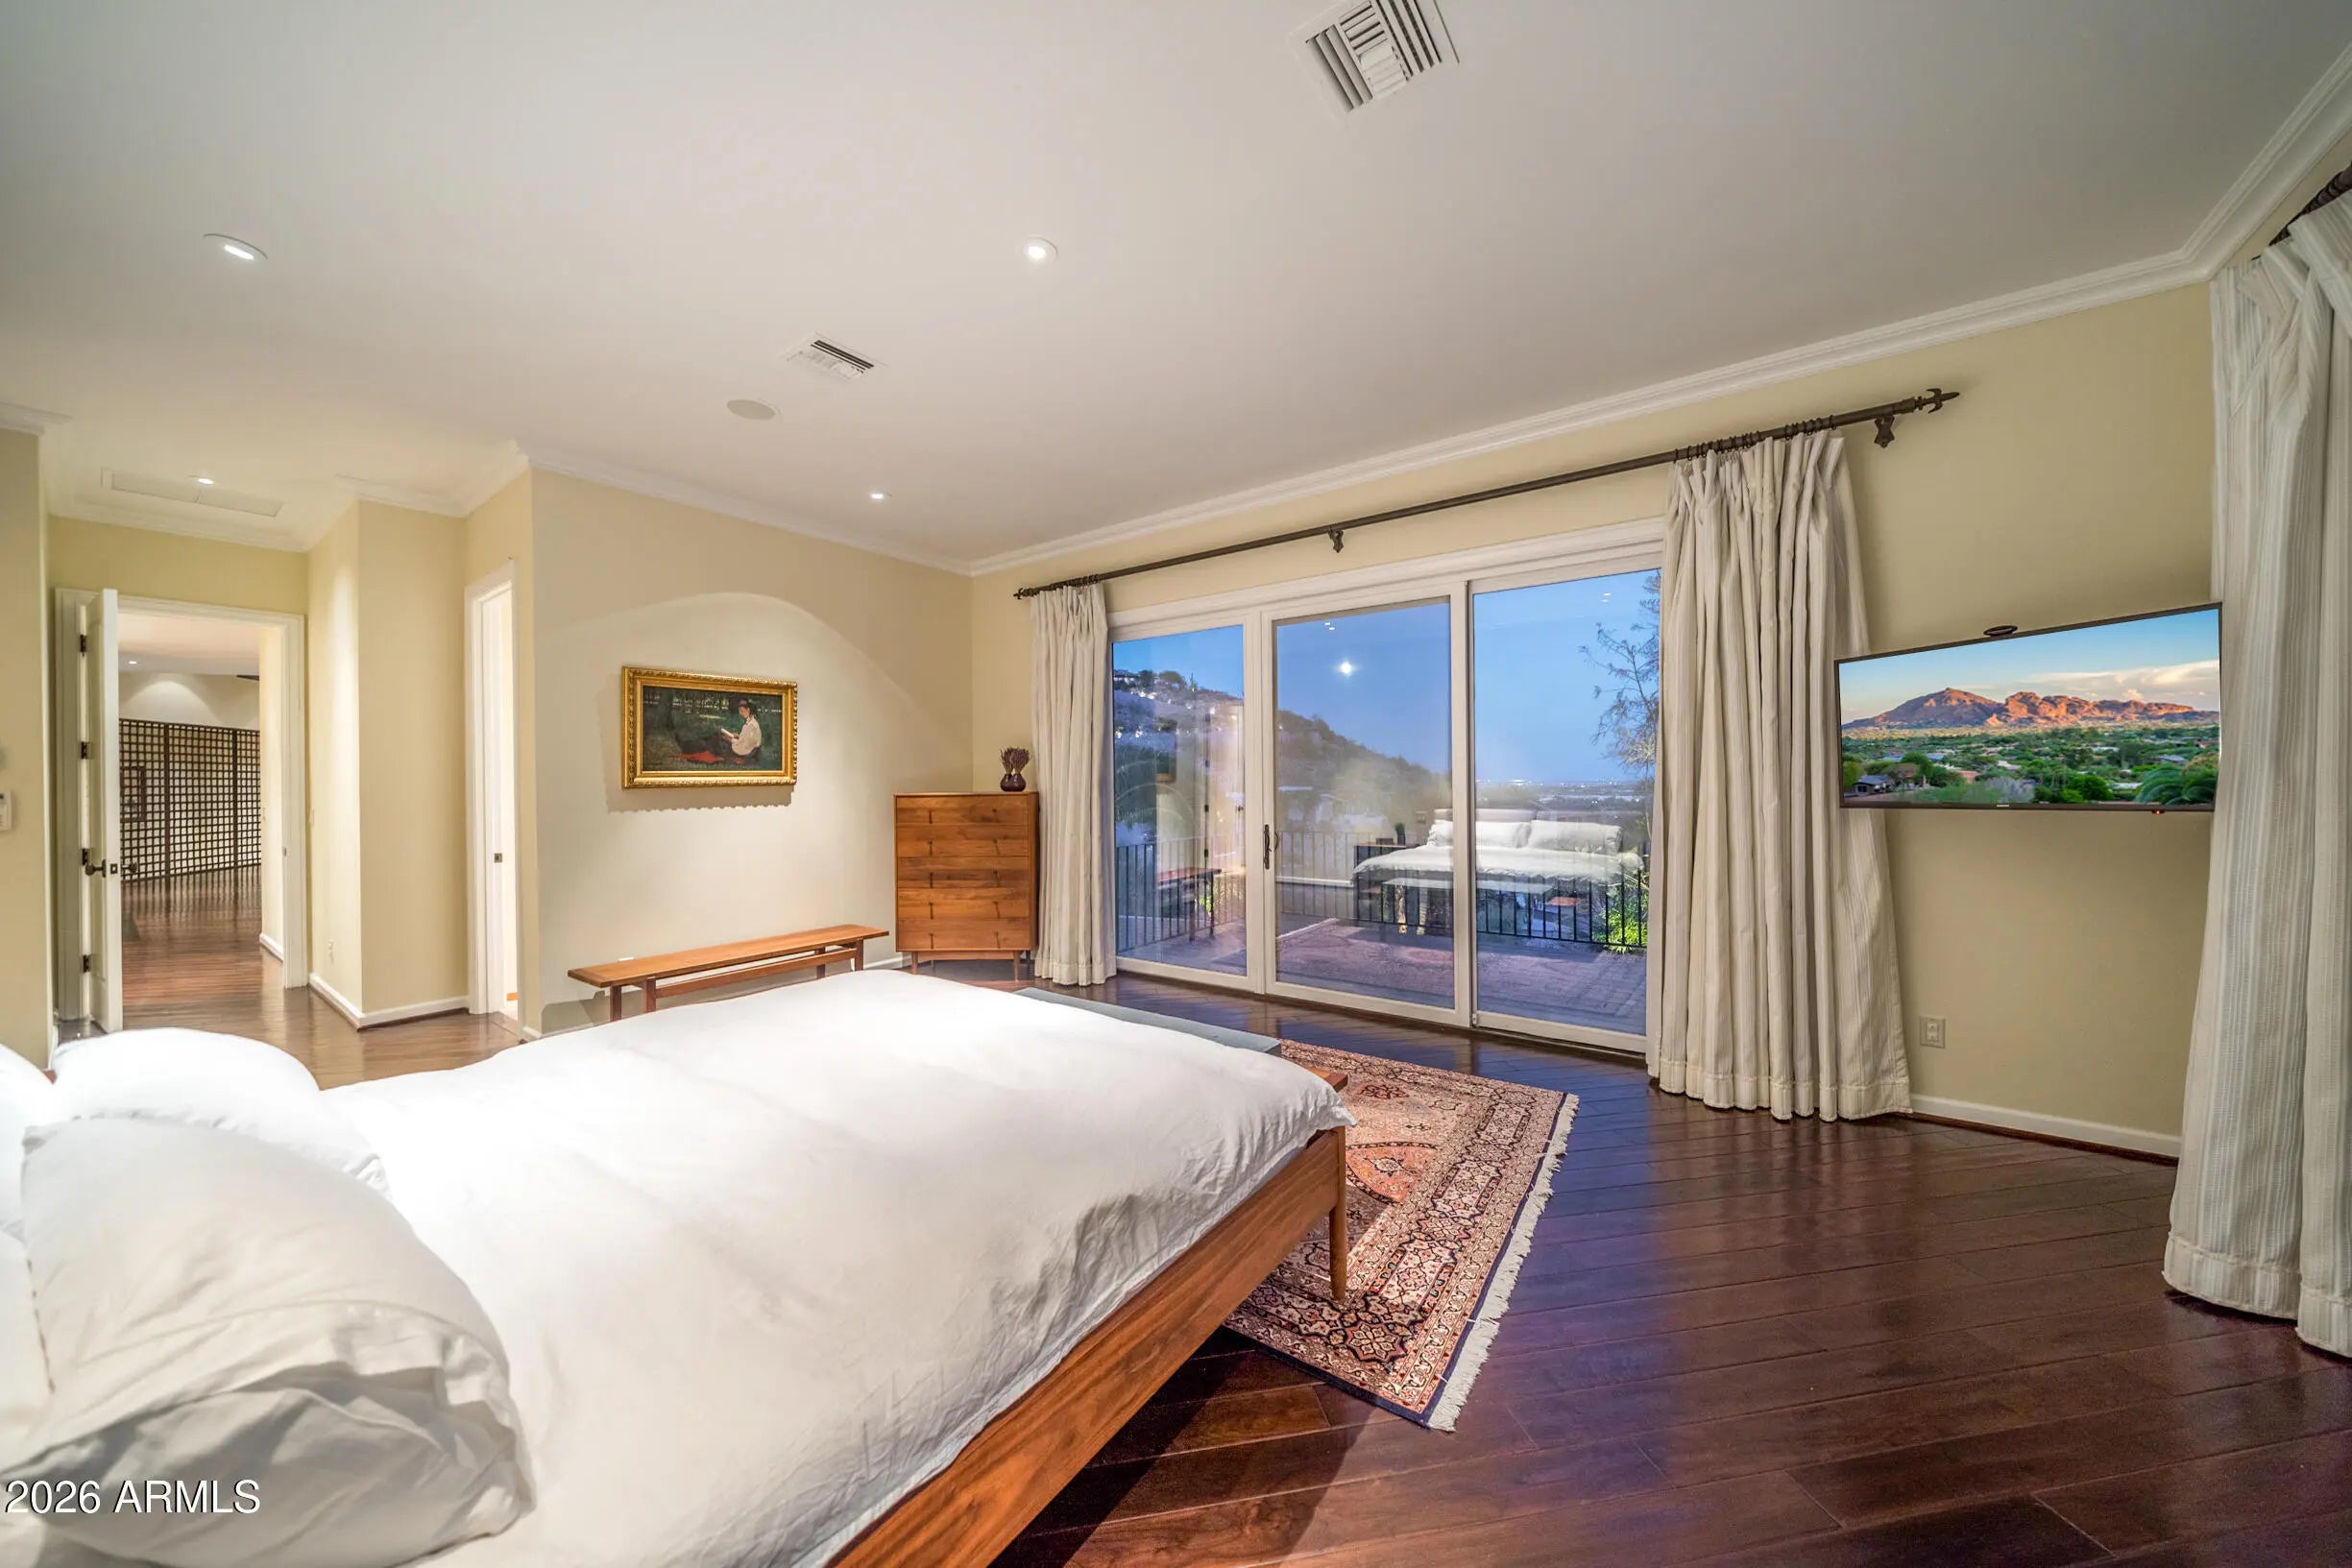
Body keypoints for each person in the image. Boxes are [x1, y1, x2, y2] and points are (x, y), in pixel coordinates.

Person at [716, 696, 762, 764]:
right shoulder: (750, 722)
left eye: (742, 711)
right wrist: (738, 737)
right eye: (740, 711)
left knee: (722, 738)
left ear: (748, 710)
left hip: (747, 750)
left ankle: (722, 756)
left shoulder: (752, 725)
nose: (740, 713)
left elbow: (746, 744)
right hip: (747, 747)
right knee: (722, 736)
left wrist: (731, 740)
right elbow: (746, 738)